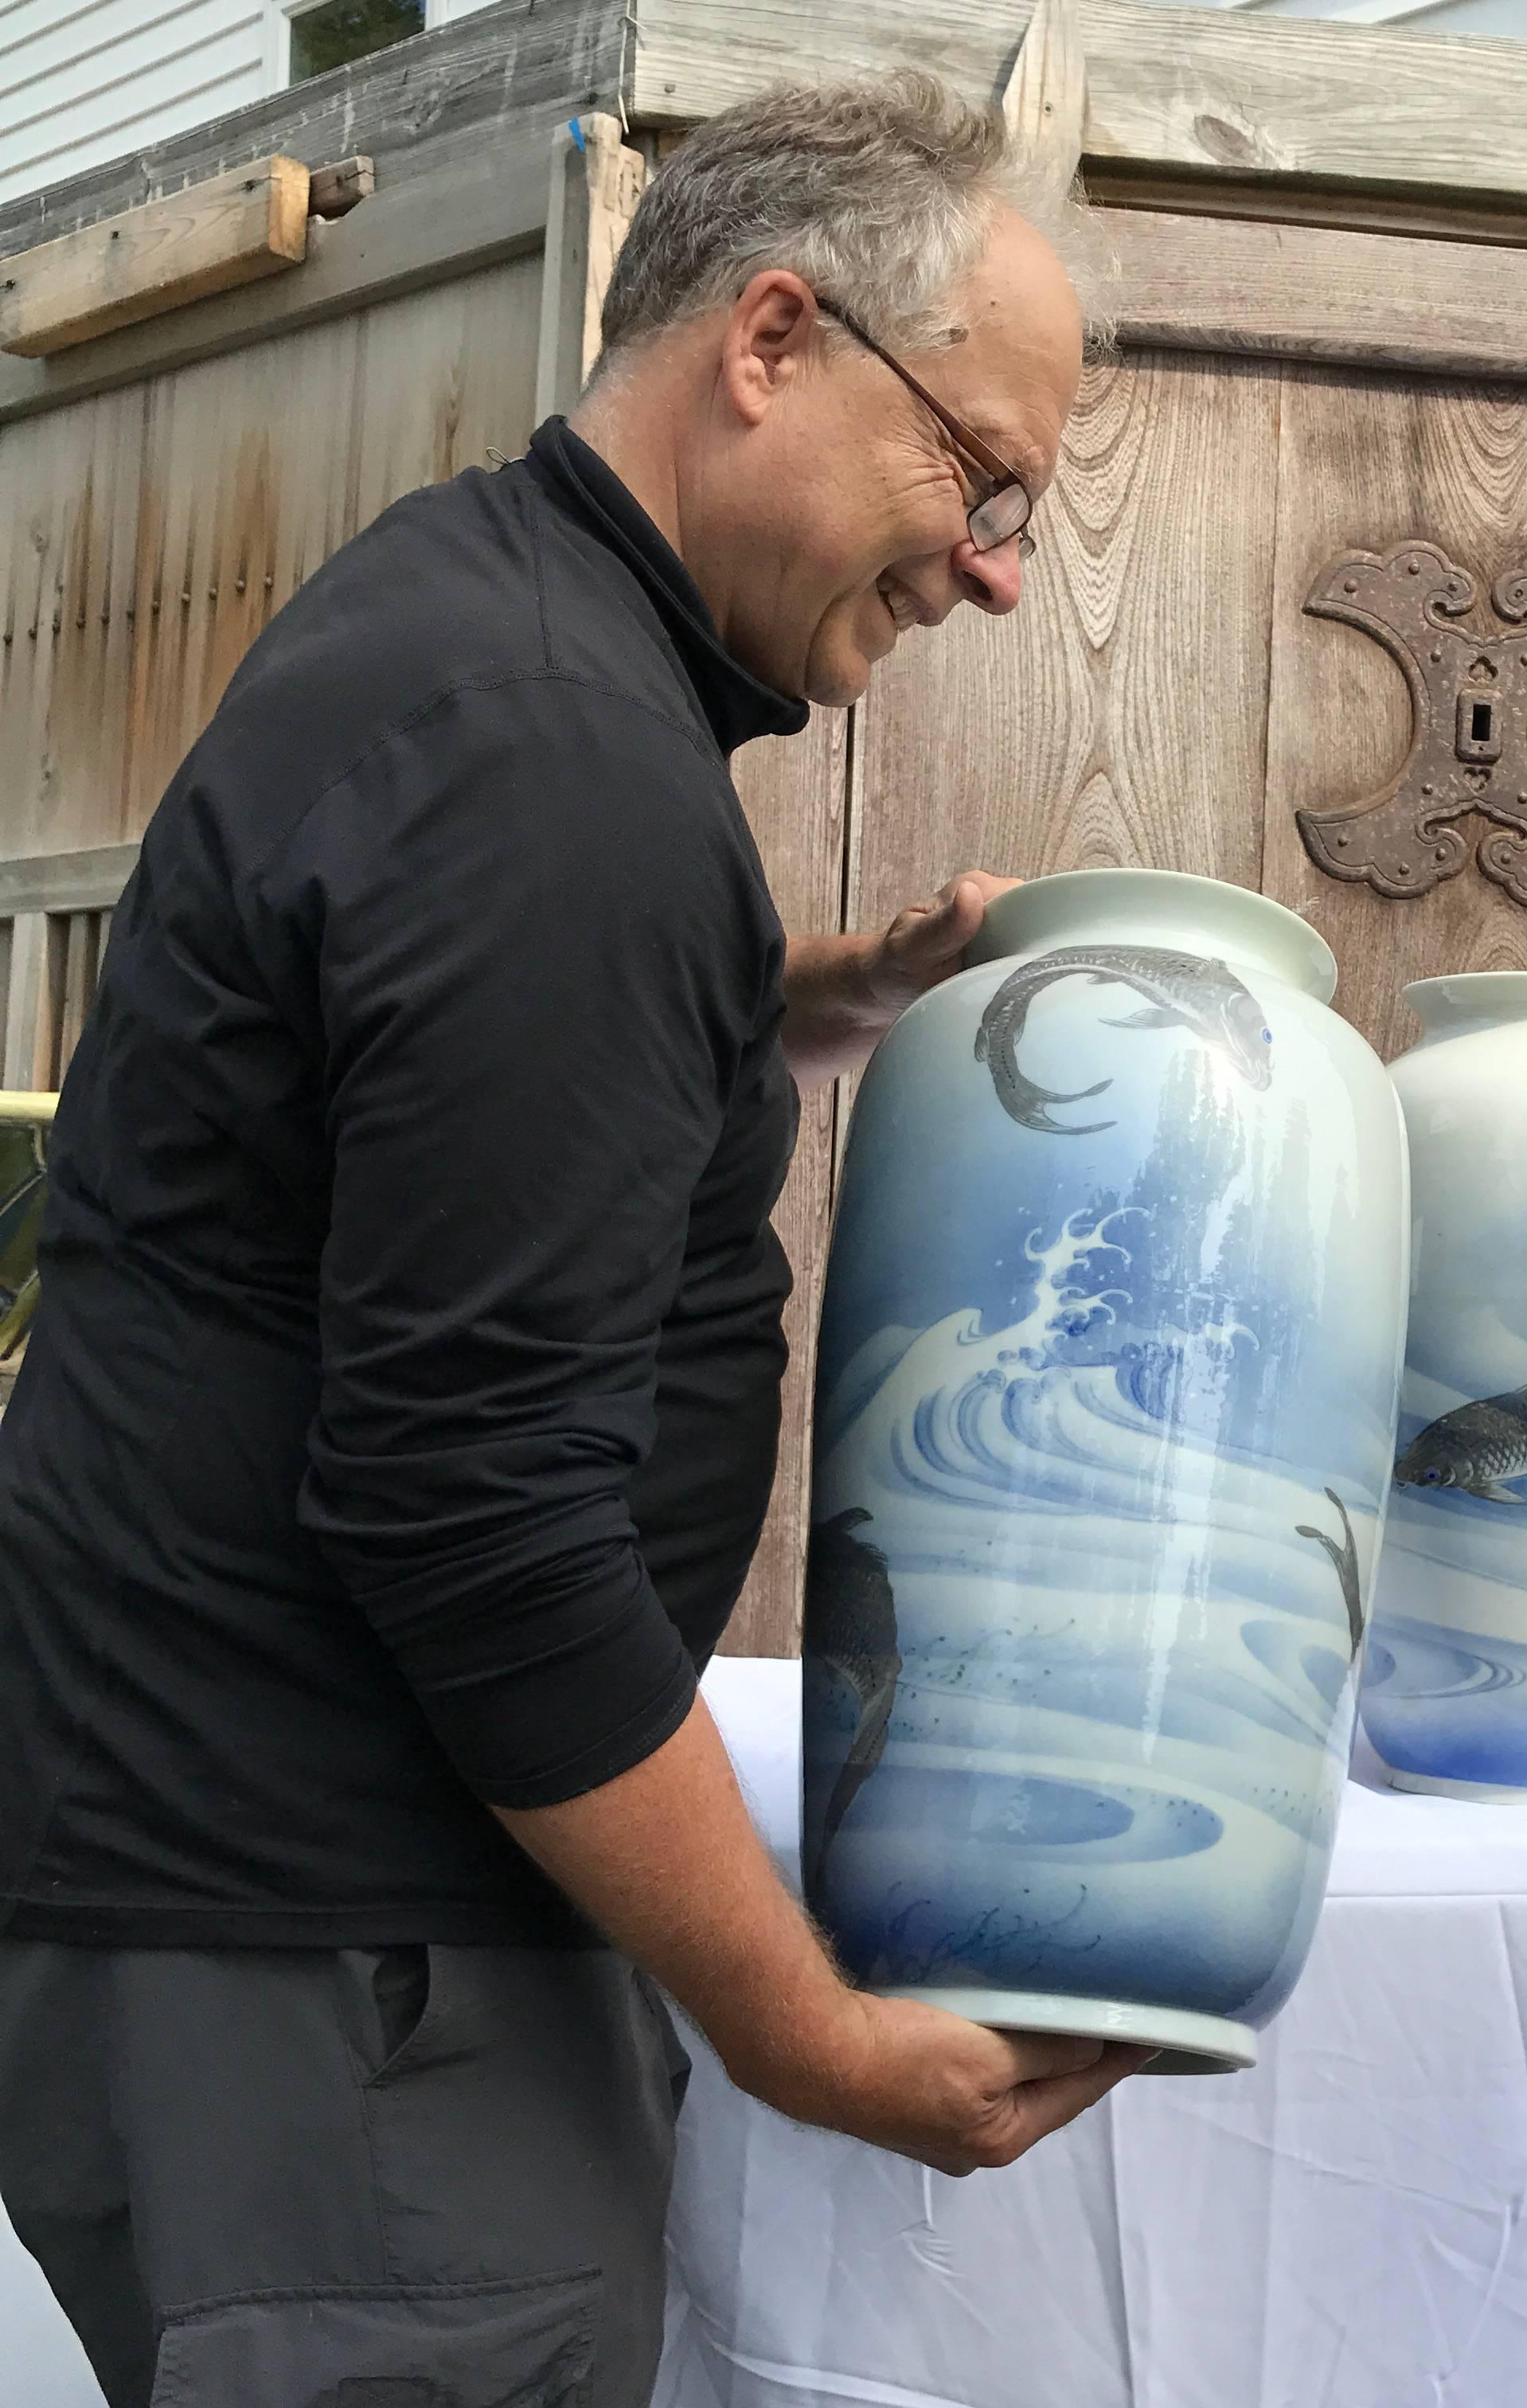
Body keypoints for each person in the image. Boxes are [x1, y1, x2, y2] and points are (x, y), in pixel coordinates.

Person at [0, 74, 1147, 2408]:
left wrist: (812, 994)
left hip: (272, 1888)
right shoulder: (557, 766)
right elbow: (476, 1525)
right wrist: (803, 2028)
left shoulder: (486, 614)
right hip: (340, 1949)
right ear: (773, 338)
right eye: (982, 471)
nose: (999, 563)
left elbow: (396, 1103)